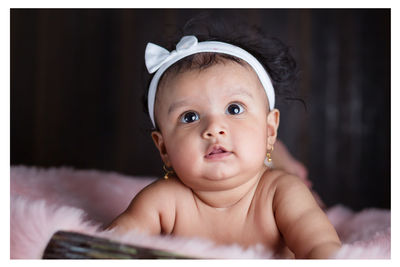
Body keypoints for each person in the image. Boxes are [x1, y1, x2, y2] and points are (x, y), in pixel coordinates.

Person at [107, 18, 340, 259]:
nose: (214, 128)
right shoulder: (162, 200)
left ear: (270, 130)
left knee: (311, 203)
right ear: (163, 147)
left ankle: (279, 160)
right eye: (190, 117)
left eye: (234, 109)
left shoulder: (281, 193)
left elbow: (321, 247)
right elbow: (108, 246)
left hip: (280, 176)